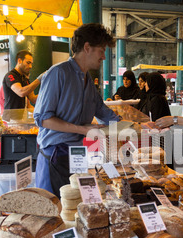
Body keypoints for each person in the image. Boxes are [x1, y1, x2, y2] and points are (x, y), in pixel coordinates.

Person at [33, 23, 121, 197]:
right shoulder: (58, 73)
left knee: (78, 206)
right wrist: (83, 129)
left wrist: (133, 126)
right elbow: (42, 119)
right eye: (101, 50)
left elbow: (102, 111)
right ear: (87, 47)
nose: (103, 57)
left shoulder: (86, 78)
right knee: (57, 211)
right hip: (55, 155)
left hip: (77, 153)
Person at [2, 50, 43, 121]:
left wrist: (49, 93)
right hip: (11, 118)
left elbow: (33, 98)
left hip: (22, 116)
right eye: (28, 63)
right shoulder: (10, 75)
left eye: (31, 64)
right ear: (19, 60)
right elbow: (21, 92)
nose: (30, 66)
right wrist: (39, 79)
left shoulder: (24, 79)